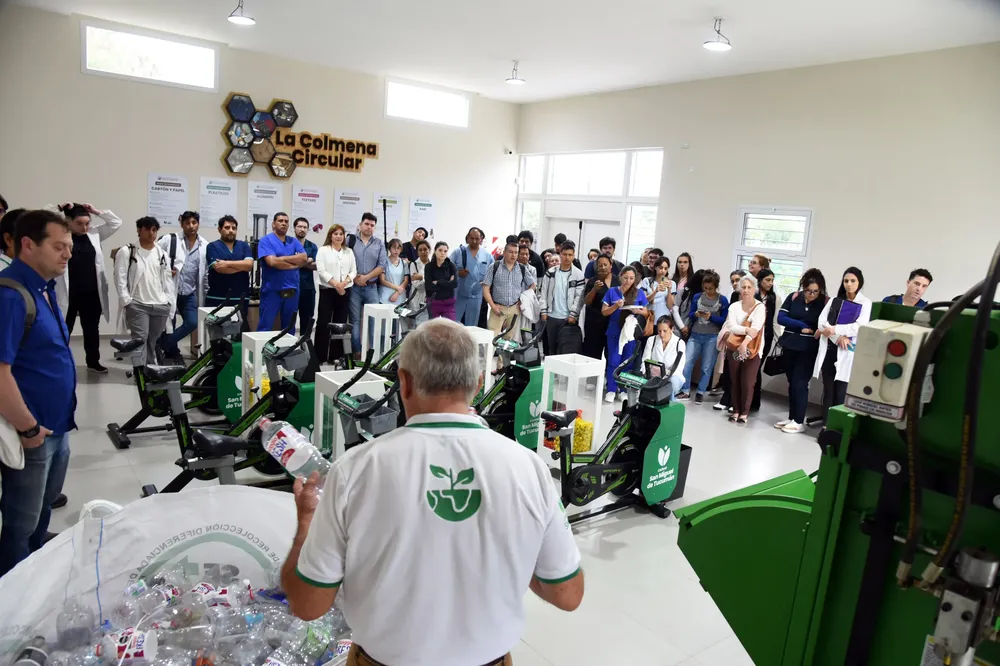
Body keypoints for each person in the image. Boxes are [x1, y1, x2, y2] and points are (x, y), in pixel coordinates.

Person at [282, 319, 583, 664]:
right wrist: (510, 552)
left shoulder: (354, 469)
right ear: (478, 383)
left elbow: (308, 604)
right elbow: (568, 593)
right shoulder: (529, 469)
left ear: (404, 382)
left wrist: (306, 524)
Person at [0, 209, 77, 576]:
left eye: (70, 247)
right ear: (28, 245)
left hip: (56, 428)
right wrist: (29, 429)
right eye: (59, 246)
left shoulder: (44, 290)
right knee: (21, 522)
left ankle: (35, 571)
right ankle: (13, 597)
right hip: (32, 433)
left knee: (43, 510)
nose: (67, 254)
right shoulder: (12, 296)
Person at [51, 203, 122, 373]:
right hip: (69, 292)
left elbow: (116, 222)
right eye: (79, 223)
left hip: (91, 292)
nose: (84, 227)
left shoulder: (94, 234)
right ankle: (60, 363)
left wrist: (96, 211)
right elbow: (44, 218)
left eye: (87, 223)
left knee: (91, 329)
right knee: (63, 329)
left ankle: (93, 362)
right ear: (68, 222)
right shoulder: (60, 235)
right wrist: (59, 207)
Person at [809, 267, 871, 427]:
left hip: (847, 352)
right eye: (846, 281)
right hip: (831, 349)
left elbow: (859, 326)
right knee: (828, 390)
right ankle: (825, 426)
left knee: (841, 391)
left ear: (859, 283)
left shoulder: (865, 303)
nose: (849, 284)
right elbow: (822, 322)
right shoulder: (834, 300)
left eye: (853, 281)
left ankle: (836, 427)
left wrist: (836, 330)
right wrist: (838, 337)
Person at [114, 217, 174, 366]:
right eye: (147, 229)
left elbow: (167, 280)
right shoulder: (127, 251)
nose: (151, 233)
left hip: (160, 305)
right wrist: (127, 300)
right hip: (138, 304)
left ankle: (149, 369)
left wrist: (168, 301)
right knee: (140, 339)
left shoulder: (162, 254)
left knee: (152, 341)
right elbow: (119, 277)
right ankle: (141, 373)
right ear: (139, 230)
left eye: (154, 230)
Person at [775, 271, 826, 433]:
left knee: (800, 383)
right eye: (809, 291)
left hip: (808, 349)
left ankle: (799, 421)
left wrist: (803, 326)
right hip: (789, 345)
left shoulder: (824, 303)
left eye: (815, 291)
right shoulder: (794, 297)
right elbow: (781, 318)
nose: (812, 294)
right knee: (791, 383)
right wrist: (800, 325)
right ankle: (791, 417)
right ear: (803, 288)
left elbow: (822, 325)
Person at [158, 211, 208, 361]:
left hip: (189, 292)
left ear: (198, 224)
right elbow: (153, 255)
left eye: (194, 223)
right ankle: (173, 353)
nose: (191, 226)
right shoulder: (170, 240)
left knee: (192, 322)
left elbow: (204, 273)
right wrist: (165, 270)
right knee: (169, 324)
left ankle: (162, 345)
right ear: (182, 224)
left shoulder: (204, 245)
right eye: (187, 223)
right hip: (170, 290)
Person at [721, 274, 767, 424]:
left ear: (755, 289)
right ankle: (735, 410)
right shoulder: (734, 306)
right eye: (744, 287)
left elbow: (756, 328)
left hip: (753, 349)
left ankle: (744, 412)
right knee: (735, 379)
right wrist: (746, 330)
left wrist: (744, 343)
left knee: (748, 382)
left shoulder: (760, 307)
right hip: (734, 347)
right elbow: (731, 326)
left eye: (749, 287)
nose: (746, 290)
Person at [677, 271, 728, 404]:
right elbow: (691, 314)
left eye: (710, 288)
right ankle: (685, 390)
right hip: (695, 334)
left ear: (716, 287)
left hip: (712, 336)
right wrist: (697, 314)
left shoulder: (722, 300)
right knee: (687, 363)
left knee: (706, 366)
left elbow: (724, 320)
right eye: (705, 288)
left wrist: (711, 317)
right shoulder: (698, 297)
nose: (708, 291)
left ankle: (700, 391)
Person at [601, 266, 649, 402]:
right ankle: (611, 389)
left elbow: (646, 312)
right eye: (626, 277)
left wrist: (638, 311)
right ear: (620, 276)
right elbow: (604, 312)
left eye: (631, 278)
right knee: (613, 361)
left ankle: (623, 390)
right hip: (614, 330)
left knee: (627, 361)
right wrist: (615, 306)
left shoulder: (639, 293)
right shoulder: (612, 292)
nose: (628, 281)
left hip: (630, 332)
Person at [257, 212, 307, 332]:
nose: (283, 223)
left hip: (292, 290)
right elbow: (272, 262)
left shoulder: (293, 241)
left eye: (286, 221)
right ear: (273, 224)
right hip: (272, 291)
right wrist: (293, 264)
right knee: (265, 326)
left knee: (289, 327)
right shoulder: (265, 241)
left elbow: (304, 258)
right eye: (280, 221)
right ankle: (261, 351)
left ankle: (287, 351)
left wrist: (281, 259)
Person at [315, 224, 357, 363]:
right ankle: (320, 357)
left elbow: (353, 271)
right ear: (330, 236)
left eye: (341, 234)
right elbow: (321, 271)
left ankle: (336, 356)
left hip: (345, 290)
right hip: (328, 290)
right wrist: (336, 284)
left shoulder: (349, 252)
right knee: (323, 323)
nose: (338, 236)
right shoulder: (323, 250)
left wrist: (343, 283)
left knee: (340, 323)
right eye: (335, 234)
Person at [205, 215, 253, 326]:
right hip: (217, 298)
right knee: (216, 333)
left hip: (240, 298)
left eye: (233, 228)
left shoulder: (244, 245)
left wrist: (226, 263)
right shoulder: (212, 246)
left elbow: (249, 265)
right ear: (219, 229)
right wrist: (241, 266)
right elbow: (219, 269)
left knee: (237, 334)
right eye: (227, 228)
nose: (231, 230)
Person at [350, 213, 387, 357]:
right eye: (366, 224)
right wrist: (354, 278)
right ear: (360, 225)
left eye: (372, 225)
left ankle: (374, 353)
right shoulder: (350, 240)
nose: (369, 227)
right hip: (353, 287)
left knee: (374, 320)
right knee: (354, 320)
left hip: (371, 287)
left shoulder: (379, 243)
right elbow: (344, 260)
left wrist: (365, 277)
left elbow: (382, 265)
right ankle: (357, 351)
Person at [484, 242, 536, 341]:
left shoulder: (521, 268)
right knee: (491, 339)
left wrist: (524, 299)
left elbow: (533, 285)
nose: (513, 255)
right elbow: (485, 288)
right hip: (498, 308)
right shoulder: (494, 267)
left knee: (508, 341)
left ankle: (503, 357)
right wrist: (492, 305)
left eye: (516, 252)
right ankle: (489, 357)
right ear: (504, 252)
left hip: (514, 308)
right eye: (511, 252)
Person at [539, 241, 585, 354]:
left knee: (565, 349)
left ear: (574, 256)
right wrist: (543, 311)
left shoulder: (578, 274)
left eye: (570, 255)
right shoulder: (551, 272)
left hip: (567, 318)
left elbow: (579, 297)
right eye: (564, 254)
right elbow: (543, 293)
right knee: (551, 348)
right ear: (560, 254)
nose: (567, 257)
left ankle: (562, 372)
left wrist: (573, 314)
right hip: (551, 316)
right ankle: (551, 371)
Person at [750, 268, 780, 412]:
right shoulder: (753, 295)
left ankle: (754, 402)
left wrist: (778, 339)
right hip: (751, 335)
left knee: (756, 367)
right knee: (750, 368)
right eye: (767, 280)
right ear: (760, 280)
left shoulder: (775, 298)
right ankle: (748, 400)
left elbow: (775, 321)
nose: (770, 283)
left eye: (772, 280)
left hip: (766, 338)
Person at [450, 227, 493, 326]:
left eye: (477, 239)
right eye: (472, 238)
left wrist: (486, 283)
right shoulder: (458, 252)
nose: (474, 241)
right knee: (453, 325)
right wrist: (458, 273)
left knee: (472, 326)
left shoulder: (487, 255)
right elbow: (446, 269)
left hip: (476, 297)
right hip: (459, 295)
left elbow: (492, 273)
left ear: (481, 239)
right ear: (468, 237)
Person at [581, 254, 619, 361]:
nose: (603, 267)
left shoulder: (618, 281)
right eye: (600, 265)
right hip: (594, 325)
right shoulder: (593, 281)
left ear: (611, 265)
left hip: (612, 325)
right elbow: (587, 301)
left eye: (605, 264)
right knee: (591, 356)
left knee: (611, 356)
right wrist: (594, 289)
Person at [293, 217, 319, 337]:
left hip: (308, 289)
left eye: (304, 227)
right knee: (290, 320)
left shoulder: (312, 246)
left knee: (307, 321)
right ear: (294, 228)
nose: (302, 229)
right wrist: (307, 261)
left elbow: (316, 266)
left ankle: (305, 349)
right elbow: (286, 263)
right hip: (292, 287)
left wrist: (297, 263)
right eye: (299, 227)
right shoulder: (288, 244)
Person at [425, 241, 458, 320]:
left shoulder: (451, 265)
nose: (443, 253)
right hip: (433, 302)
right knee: (433, 328)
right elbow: (429, 286)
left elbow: (454, 284)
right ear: (435, 251)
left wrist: (438, 282)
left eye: (445, 251)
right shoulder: (429, 266)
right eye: (440, 250)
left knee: (450, 326)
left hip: (448, 302)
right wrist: (447, 284)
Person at [639, 256, 674, 322]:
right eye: (660, 268)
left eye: (665, 268)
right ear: (655, 267)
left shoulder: (671, 283)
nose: (663, 271)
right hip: (650, 316)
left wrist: (669, 290)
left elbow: (670, 306)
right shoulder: (647, 280)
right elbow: (644, 301)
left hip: (664, 317)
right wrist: (655, 291)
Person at [407, 239, 432, 324]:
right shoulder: (414, 264)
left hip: (431, 298)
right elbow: (417, 285)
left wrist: (421, 277)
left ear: (429, 250)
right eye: (420, 250)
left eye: (425, 249)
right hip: (417, 298)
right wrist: (429, 279)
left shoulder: (433, 264)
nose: (423, 252)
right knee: (418, 324)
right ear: (417, 252)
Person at [379, 238, 409, 306]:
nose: (396, 250)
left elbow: (406, 281)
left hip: (400, 297)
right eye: (394, 247)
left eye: (398, 248)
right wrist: (398, 288)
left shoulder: (404, 263)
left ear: (401, 249)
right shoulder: (384, 261)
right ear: (389, 248)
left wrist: (397, 292)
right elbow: (382, 280)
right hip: (386, 296)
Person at [671, 253, 695, 331]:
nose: (682, 264)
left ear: (689, 264)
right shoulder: (671, 278)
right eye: (680, 262)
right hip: (671, 313)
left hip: (684, 315)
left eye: (685, 262)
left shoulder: (692, 281)